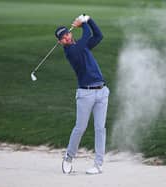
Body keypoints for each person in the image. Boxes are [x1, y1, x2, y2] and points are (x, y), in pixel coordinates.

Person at [55, 14, 110, 175]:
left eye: (67, 33)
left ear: (69, 33)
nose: (66, 37)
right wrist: (83, 23)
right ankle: (68, 157)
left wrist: (90, 20)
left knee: (100, 129)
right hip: (85, 94)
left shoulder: (81, 46)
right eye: (62, 37)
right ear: (60, 42)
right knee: (80, 128)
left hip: (102, 92)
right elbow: (86, 35)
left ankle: (98, 165)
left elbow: (98, 35)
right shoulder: (71, 51)